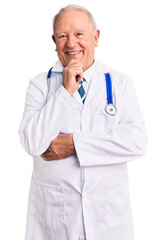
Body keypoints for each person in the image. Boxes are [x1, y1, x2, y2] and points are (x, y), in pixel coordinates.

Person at [19, 4, 148, 240]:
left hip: (108, 222)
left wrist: (74, 145)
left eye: (79, 34)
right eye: (63, 36)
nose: (71, 43)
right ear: (54, 41)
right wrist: (65, 92)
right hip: (55, 224)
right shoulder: (39, 85)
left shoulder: (120, 84)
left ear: (96, 37)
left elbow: (137, 141)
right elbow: (32, 143)